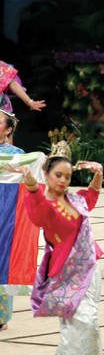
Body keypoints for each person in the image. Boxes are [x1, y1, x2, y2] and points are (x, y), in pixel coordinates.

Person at [9, 143, 104, 355]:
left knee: (90, 324)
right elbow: (36, 209)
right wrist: (31, 185)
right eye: (58, 175)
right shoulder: (45, 205)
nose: (62, 180)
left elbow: (92, 194)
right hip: (67, 273)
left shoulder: (76, 200)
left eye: (67, 176)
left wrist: (98, 173)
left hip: (91, 269)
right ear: (46, 174)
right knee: (81, 324)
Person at [0, 110, 24, 332]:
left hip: (6, 217)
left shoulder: (17, 155)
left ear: (8, 130)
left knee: (3, 265)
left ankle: (1, 316)